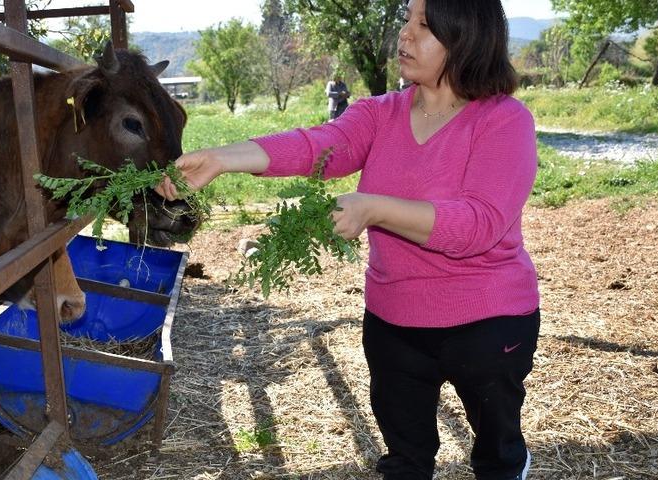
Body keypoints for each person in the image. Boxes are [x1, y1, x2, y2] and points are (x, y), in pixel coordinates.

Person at [157, 0, 539, 478]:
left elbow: (479, 224)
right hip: (395, 317)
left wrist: (372, 207)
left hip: (487, 320)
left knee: (496, 451)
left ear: (466, 36)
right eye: (405, 19)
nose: (404, 35)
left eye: (424, 25)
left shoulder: (503, 121)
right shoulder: (381, 114)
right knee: (405, 457)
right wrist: (221, 157)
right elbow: (315, 145)